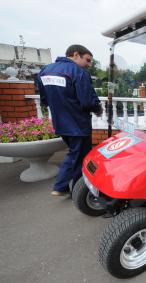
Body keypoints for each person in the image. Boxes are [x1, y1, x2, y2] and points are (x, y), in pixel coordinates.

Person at [37, 44, 102, 196]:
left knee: (78, 155)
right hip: (78, 124)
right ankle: (60, 186)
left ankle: (76, 190)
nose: (88, 64)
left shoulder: (44, 71)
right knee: (76, 155)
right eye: (87, 60)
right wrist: (98, 108)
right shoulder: (78, 72)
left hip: (60, 123)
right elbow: (87, 101)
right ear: (75, 54)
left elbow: (44, 100)